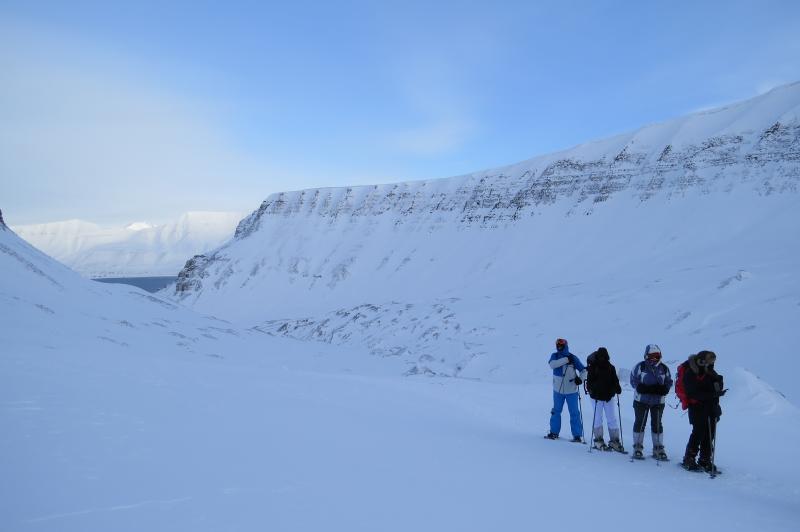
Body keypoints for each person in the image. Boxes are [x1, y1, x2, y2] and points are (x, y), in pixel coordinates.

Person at [681, 350, 726, 473]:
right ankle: (689, 458)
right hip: (697, 407)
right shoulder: (692, 372)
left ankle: (705, 460)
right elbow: (692, 393)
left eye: (713, 361)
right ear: (702, 360)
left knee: (709, 433)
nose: (712, 363)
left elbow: (714, 388)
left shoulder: (710, 371)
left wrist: (719, 384)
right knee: (698, 433)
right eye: (710, 360)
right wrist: (713, 394)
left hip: (711, 407)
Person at [629, 344, 672, 460]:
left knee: (657, 423)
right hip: (641, 400)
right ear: (646, 355)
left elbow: (669, 381)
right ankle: (637, 447)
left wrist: (665, 389)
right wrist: (640, 387)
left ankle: (658, 448)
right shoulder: (640, 367)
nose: (654, 358)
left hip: (658, 401)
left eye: (656, 356)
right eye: (651, 356)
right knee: (640, 422)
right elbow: (633, 379)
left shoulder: (664, 368)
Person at [546, 338, 587, 442]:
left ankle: (577, 435)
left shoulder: (573, 358)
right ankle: (554, 432)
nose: (559, 346)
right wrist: (566, 360)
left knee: (574, 413)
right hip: (557, 391)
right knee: (556, 411)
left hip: (571, 390)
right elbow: (552, 365)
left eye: (561, 344)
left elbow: (584, 370)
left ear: (565, 345)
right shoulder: (554, 356)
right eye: (557, 344)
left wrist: (580, 379)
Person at [585, 347, 624, 452]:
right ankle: (598, 439)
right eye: (600, 356)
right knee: (598, 418)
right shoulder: (593, 367)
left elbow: (615, 380)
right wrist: (593, 391)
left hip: (608, 397)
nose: (602, 358)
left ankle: (614, 441)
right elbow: (589, 383)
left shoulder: (611, 367)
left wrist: (617, 387)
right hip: (596, 397)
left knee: (611, 418)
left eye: (604, 356)